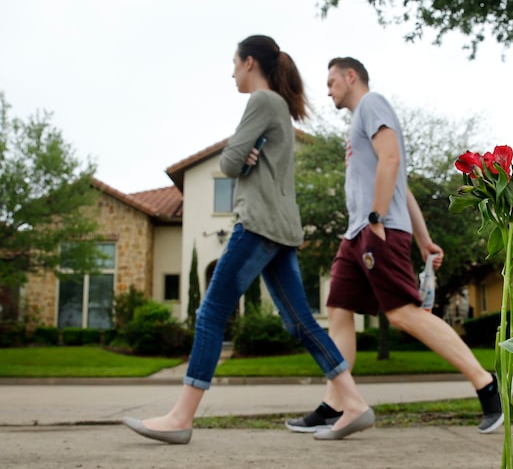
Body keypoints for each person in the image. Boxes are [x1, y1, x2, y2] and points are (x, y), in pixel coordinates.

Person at [123, 36, 372, 444]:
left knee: (210, 313)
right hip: (281, 228)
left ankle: (181, 418)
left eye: (234, 63)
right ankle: (355, 403)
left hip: (257, 224)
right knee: (300, 322)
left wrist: (242, 157)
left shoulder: (262, 102)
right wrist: (246, 155)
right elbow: (241, 158)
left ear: (250, 62)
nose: (232, 71)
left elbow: (227, 161)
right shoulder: (279, 109)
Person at [286, 57, 502, 440]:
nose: (328, 88)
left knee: (403, 313)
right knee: (337, 312)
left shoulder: (372, 104)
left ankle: (486, 384)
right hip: (356, 234)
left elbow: (392, 159)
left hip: (376, 229)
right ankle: (335, 404)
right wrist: (423, 239)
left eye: (332, 80)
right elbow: (401, 182)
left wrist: (376, 217)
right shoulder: (359, 120)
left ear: (351, 76)